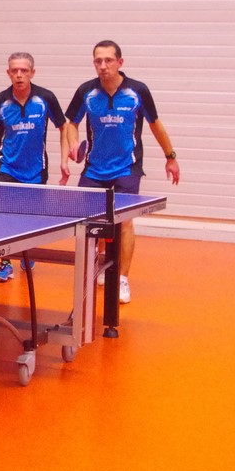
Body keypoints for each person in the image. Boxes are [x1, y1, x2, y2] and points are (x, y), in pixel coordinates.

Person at [64, 40, 181, 304]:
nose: (103, 66)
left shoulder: (137, 91)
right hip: (94, 169)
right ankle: (98, 266)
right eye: (98, 61)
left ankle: (122, 279)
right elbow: (71, 123)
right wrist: (73, 143)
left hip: (127, 167)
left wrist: (170, 157)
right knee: (90, 223)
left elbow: (155, 124)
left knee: (124, 222)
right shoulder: (86, 92)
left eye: (108, 60)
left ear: (120, 62)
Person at [0, 51, 69, 282]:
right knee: (4, 218)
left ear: (32, 73)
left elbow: (63, 126)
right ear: (8, 73)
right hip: (6, 168)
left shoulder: (46, 98)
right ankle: (6, 263)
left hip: (36, 169)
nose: (19, 75)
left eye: (24, 71)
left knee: (30, 217)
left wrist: (64, 160)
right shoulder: (0, 101)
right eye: (15, 71)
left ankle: (27, 254)